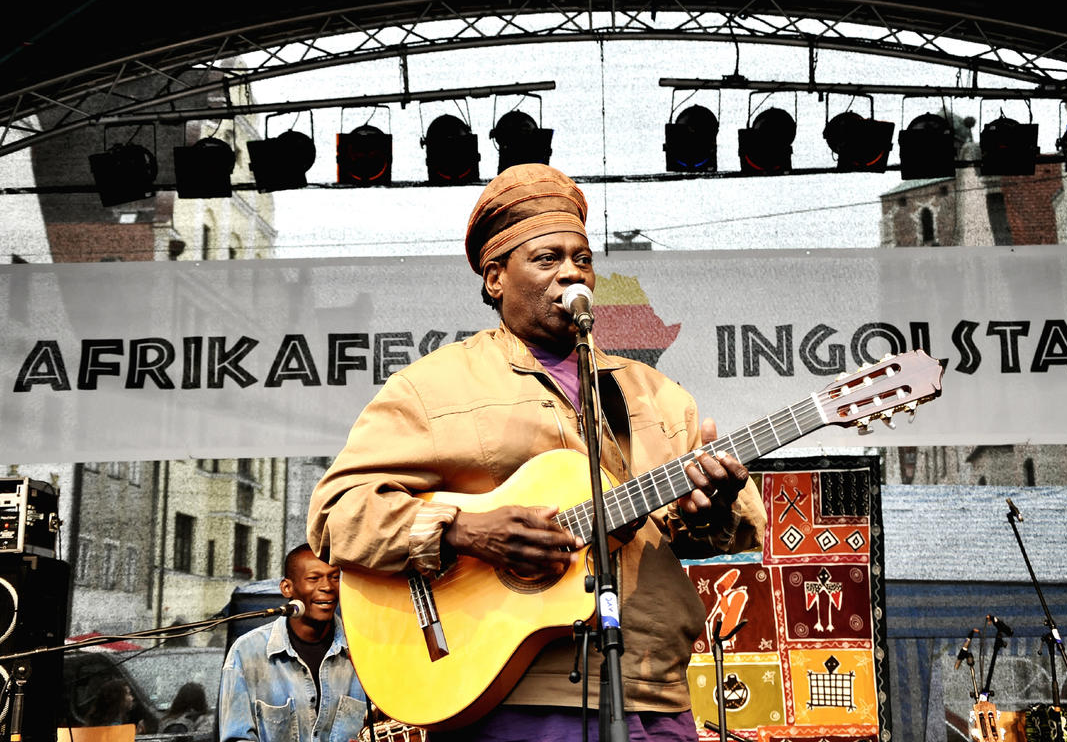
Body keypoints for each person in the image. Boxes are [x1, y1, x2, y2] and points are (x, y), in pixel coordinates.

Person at [307, 163, 767, 742]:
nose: (571, 272)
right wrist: (462, 532)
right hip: (509, 695)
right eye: (547, 259)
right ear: (495, 277)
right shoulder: (433, 386)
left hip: (653, 690)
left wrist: (716, 506)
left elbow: (738, 529)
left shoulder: (656, 394)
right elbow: (335, 513)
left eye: (582, 258)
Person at [218, 544, 367, 742]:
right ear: (287, 588)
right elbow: (236, 738)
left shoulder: (364, 650)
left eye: (335, 577)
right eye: (314, 578)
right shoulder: (246, 652)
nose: (328, 587)